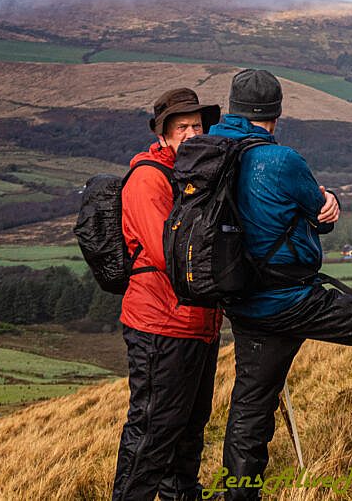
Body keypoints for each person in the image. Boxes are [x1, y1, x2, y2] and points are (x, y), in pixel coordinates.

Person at [213, 69, 352, 498]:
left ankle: (239, 493)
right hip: (292, 298)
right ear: (275, 114)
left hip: (243, 301)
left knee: (250, 404)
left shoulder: (210, 153)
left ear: (232, 108)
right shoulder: (279, 160)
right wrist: (326, 204)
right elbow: (320, 210)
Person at [112, 88, 223, 501]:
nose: (192, 134)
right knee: (152, 432)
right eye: (182, 128)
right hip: (160, 325)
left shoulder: (196, 176)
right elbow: (170, 253)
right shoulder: (148, 180)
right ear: (163, 135)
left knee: (190, 429)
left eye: (197, 125)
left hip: (198, 325)